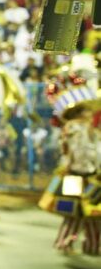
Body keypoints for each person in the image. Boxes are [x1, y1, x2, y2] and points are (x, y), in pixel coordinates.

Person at [39, 56, 101, 256]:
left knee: (91, 212)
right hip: (78, 172)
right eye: (87, 111)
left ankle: (91, 245)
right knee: (75, 211)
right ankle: (66, 242)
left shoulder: (84, 128)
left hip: (86, 172)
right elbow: (81, 152)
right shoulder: (76, 128)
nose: (91, 114)